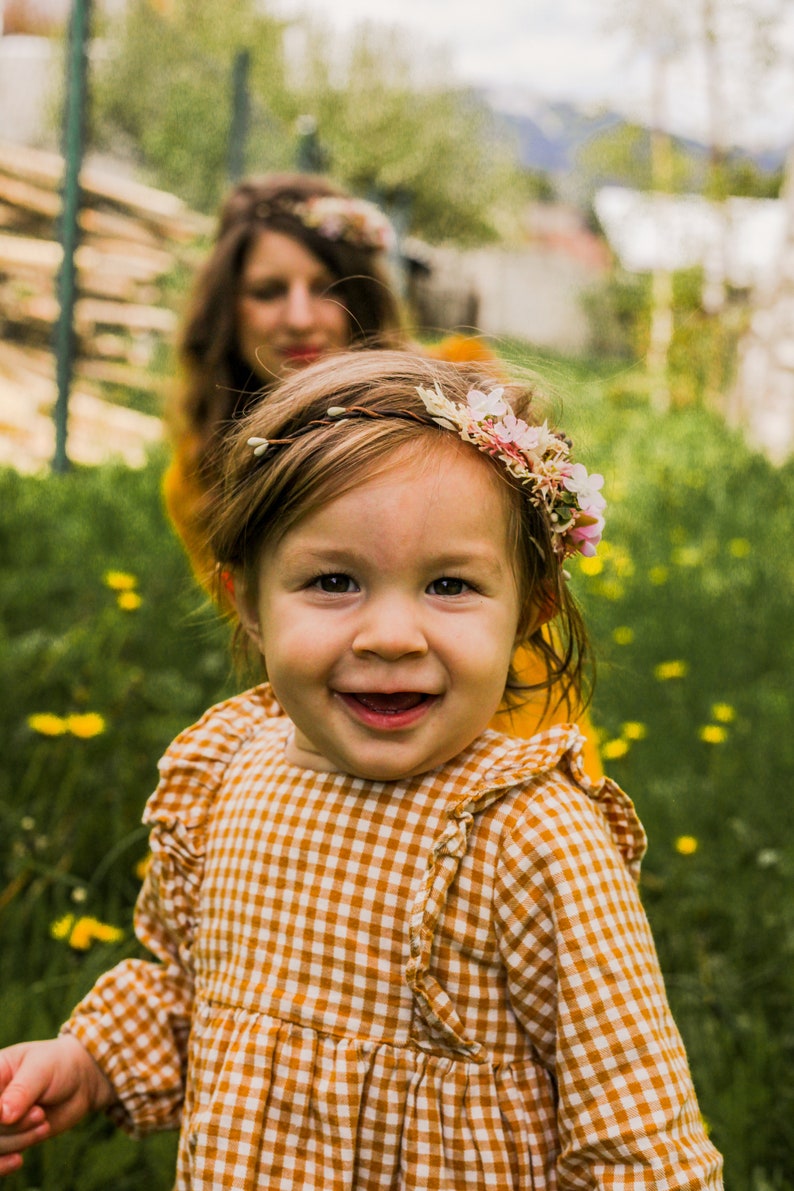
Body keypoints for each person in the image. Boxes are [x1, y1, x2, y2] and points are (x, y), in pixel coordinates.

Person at [0, 352, 722, 1188]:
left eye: (449, 584)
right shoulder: (226, 777)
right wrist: (89, 1062)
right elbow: (192, 994)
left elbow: (637, 1139)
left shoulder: (534, 837)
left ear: (532, 607)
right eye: (333, 580)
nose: (390, 634)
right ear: (248, 600)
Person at [162, 172, 602, 774]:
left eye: (325, 288)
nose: (298, 318)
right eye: (268, 291)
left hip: (502, 713)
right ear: (227, 308)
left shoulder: (466, 403)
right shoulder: (201, 476)